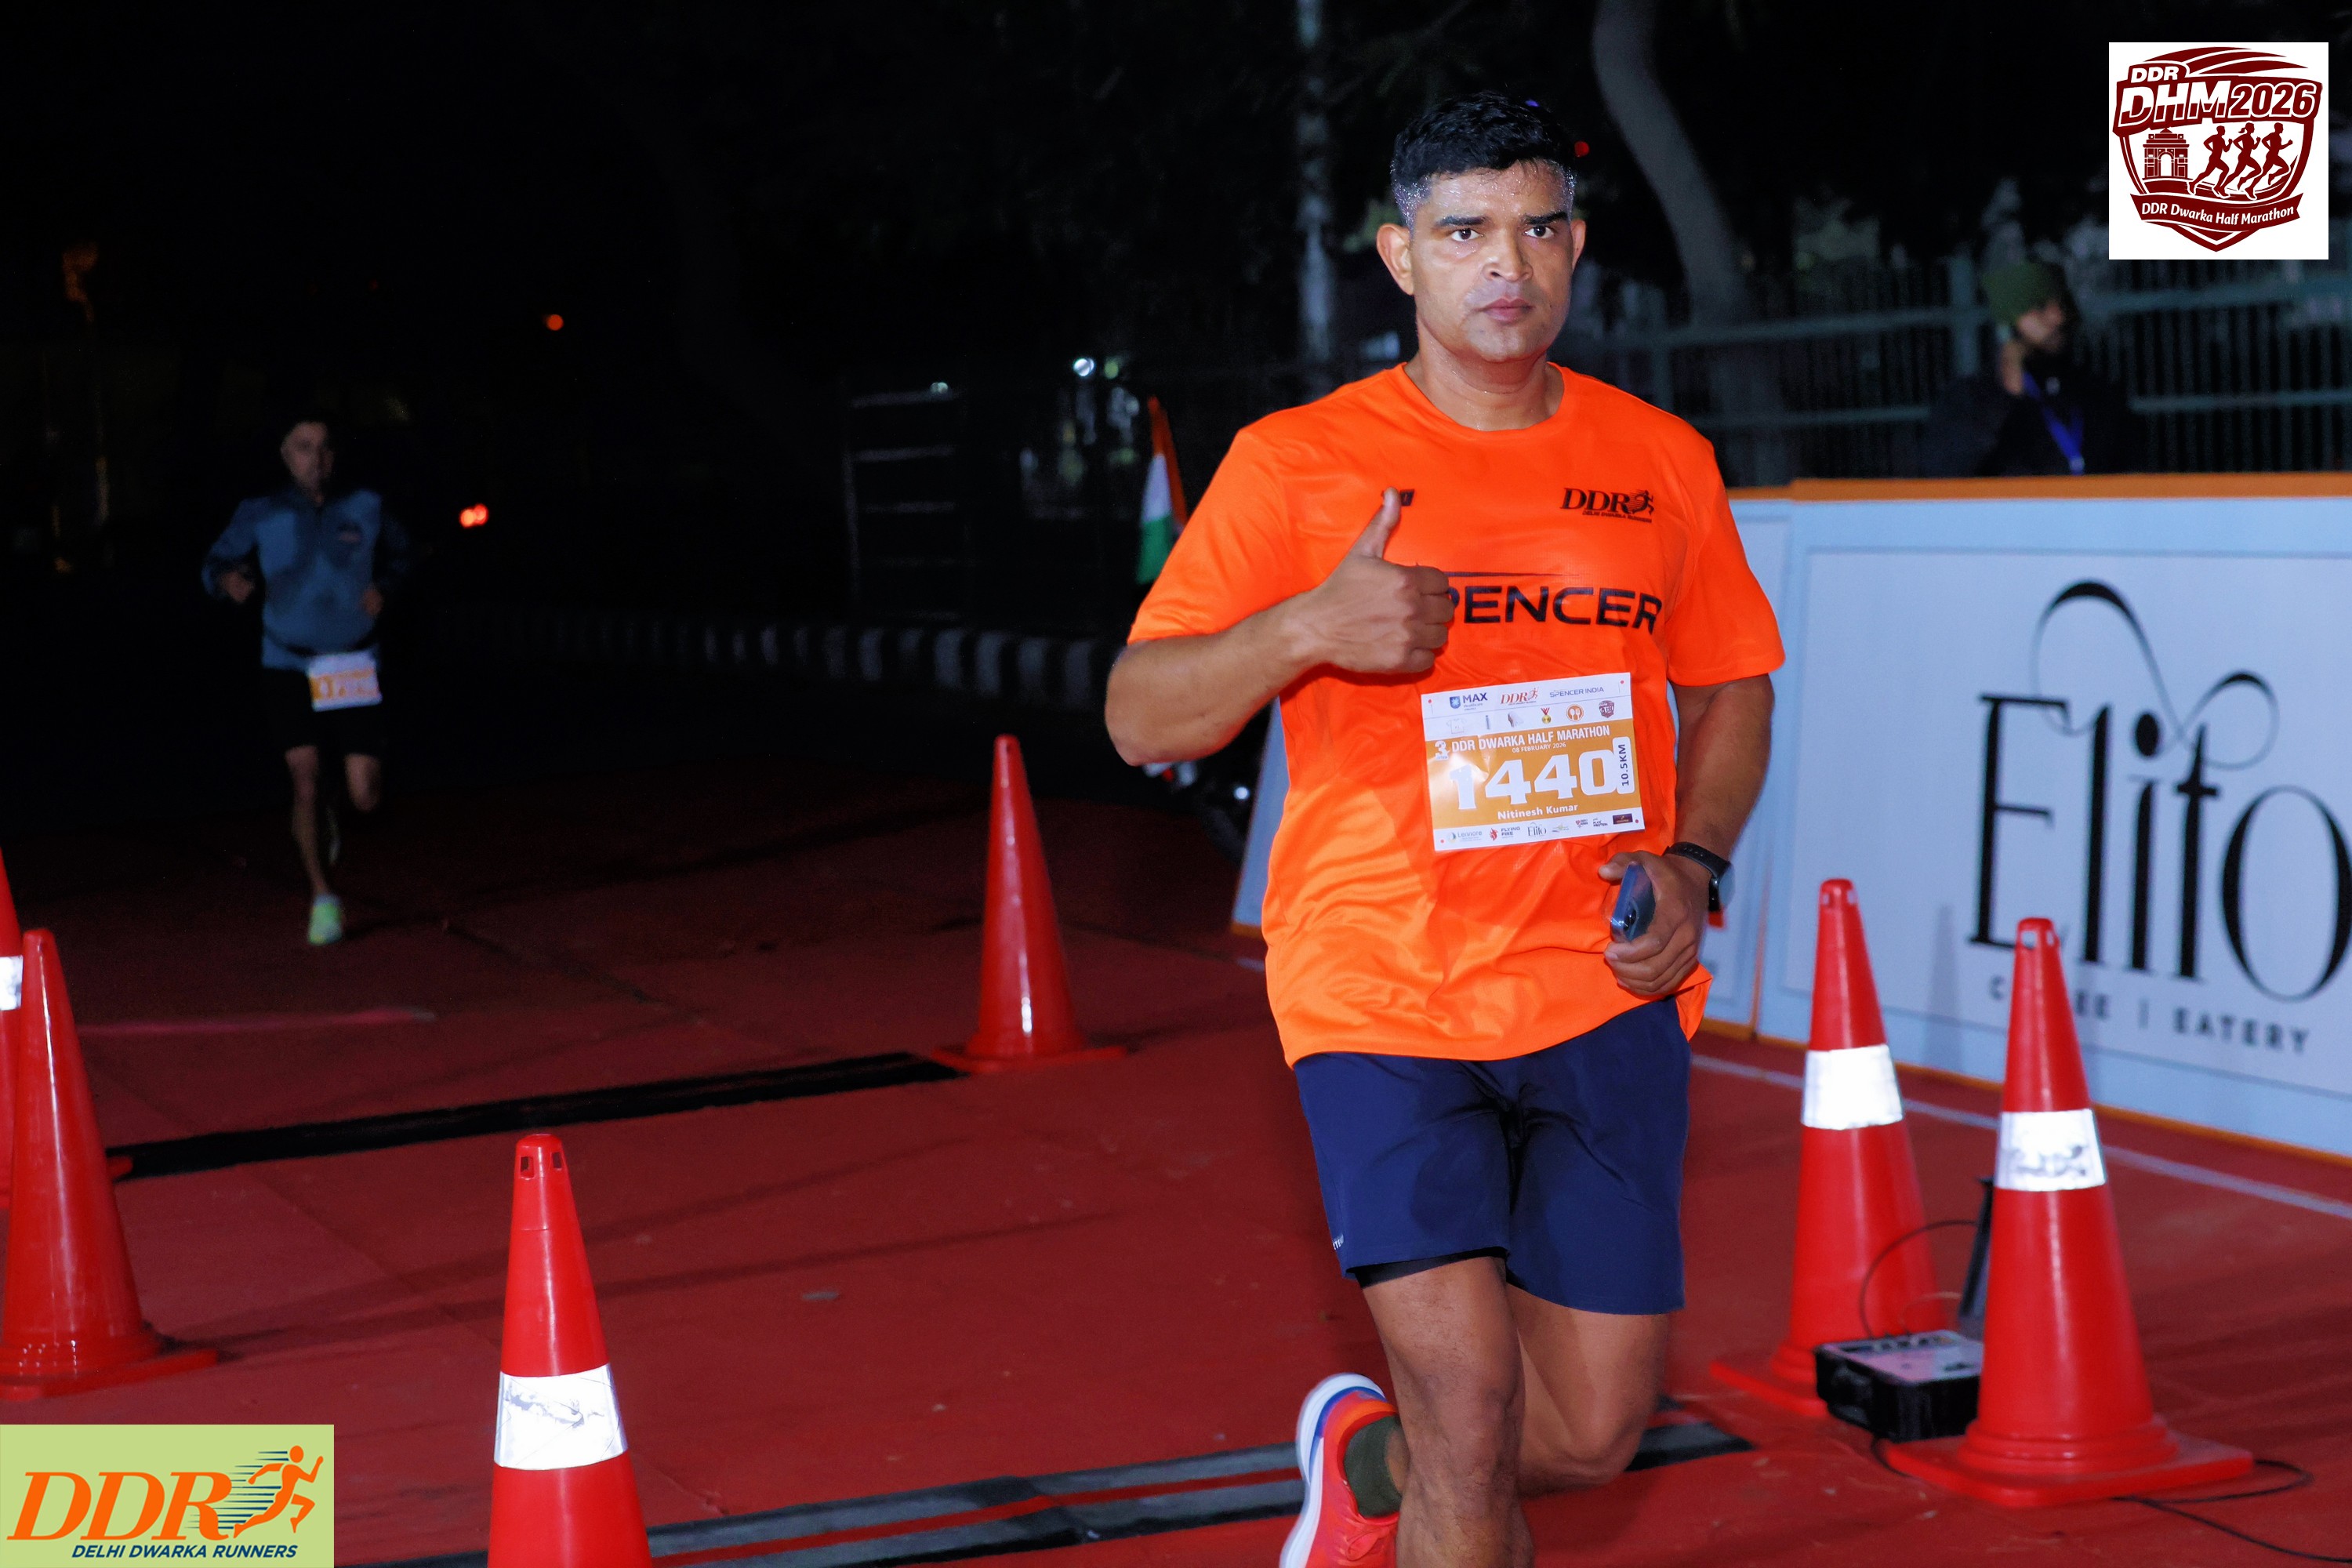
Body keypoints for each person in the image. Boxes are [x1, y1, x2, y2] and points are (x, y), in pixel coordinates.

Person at [1105, 93, 1780, 1568]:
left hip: (1602, 986)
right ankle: (1423, 1462)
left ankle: (1369, 1464)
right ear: (1401, 257)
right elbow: (1141, 715)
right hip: (1382, 988)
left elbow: (1733, 685)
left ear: (1576, 248)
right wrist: (1306, 627)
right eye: (1464, 232)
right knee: (1474, 1420)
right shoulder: (1298, 461)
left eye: (1537, 230)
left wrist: (1695, 862)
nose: (1505, 265)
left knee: (1585, 1434)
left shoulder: (1661, 456)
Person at [204, 415, 409, 946]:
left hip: (352, 663)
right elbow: (214, 563)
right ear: (284, 453)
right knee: (304, 778)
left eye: (324, 448)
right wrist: (227, 579)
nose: (315, 459)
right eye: (303, 447)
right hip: (288, 662)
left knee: (365, 794)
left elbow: (406, 554)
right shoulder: (261, 511)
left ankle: (333, 810)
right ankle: (322, 896)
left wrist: (387, 586)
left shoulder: (367, 504)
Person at [1919, 261, 2137, 478]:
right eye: (2040, 307)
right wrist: (2004, 397)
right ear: (2007, 324)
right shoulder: (1969, 399)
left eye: (2062, 305)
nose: (2058, 318)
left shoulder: (2095, 392)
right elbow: (1947, 471)